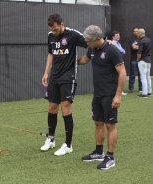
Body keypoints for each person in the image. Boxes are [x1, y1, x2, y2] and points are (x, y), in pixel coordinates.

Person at [78, 25, 126, 170]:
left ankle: (110, 157)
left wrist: (118, 96)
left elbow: (122, 73)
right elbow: (84, 60)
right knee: (98, 122)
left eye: (88, 41)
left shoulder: (112, 50)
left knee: (110, 125)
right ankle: (99, 152)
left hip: (110, 94)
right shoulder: (92, 49)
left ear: (98, 38)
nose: (87, 43)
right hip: (97, 94)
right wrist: (68, 61)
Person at [40, 13, 87, 156]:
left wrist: (84, 59)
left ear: (62, 24)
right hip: (54, 76)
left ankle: (68, 144)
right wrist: (46, 73)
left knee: (65, 107)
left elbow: (90, 43)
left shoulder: (73, 35)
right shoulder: (50, 36)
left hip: (68, 77)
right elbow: (50, 54)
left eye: (56, 29)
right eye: (52, 30)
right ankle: (51, 139)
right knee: (52, 106)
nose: (54, 32)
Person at [136, 28, 152, 98]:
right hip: (148, 61)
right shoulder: (149, 40)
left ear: (140, 33)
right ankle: (149, 92)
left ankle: (144, 94)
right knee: (148, 77)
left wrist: (137, 60)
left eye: (138, 33)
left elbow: (139, 53)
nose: (137, 34)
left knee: (143, 77)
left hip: (142, 61)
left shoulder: (141, 41)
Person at [111, 31, 127, 96]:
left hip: (119, 61)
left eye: (119, 35)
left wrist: (121, 51)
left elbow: (124, 51)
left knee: (118, 76)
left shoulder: (118, 43)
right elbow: (120, 51)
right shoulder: (112, 43)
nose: (118, 37)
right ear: (113, 37)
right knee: (116, 76)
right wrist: (121, 51)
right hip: (114, 63)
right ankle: (117, 91)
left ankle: (119, 91)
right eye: (117, 35)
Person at [128, 27, 142, 93]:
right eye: (134, 31)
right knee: (132, 74)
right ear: (133, 32)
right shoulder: (131, 39)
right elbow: (134, 47)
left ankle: (140, 88)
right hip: (133, 59)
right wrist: (140, 47)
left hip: (141, 60)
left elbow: (139, 47)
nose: (136, 32)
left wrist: (137, 46)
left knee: (141, 75)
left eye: (137, 31)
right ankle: (131, 88)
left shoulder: (142, 39)